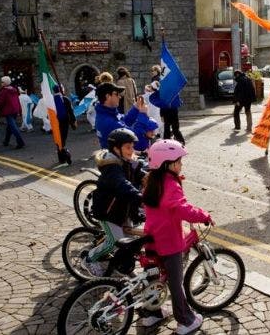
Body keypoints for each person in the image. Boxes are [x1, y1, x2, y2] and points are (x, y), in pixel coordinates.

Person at [142, 139, 211, 334]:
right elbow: (183, 209)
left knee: (154, 276)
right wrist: (203, 215)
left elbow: (164, 205)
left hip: (152, 237)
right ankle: (185, 321)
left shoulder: (152, 180)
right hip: (169, 242)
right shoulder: (170, 184)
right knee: (175, 282)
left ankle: (151, 313)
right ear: (169, 164)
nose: (181, 164)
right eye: (179, 161)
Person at [82, 128, 146, 277]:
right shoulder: (111, 167)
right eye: (128, 148)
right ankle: (89, 259)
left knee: (129, 241)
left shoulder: (129, 161)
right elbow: (122, 184)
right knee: (114, 242)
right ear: (116, 149)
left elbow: (141, 174)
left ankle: (124, 267)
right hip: (108, 212)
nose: (132, 151)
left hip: (124, 209)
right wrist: (140, 199)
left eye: (132, 147)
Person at [94, 82, 144, 149]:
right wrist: (143, 114)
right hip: (117, 158)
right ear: (108, 96)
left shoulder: (108, 113)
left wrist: (136, 108)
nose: (119, 97)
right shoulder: (108, 122)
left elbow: (124, 121)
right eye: (116, 94)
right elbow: (135, 136)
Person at [0, 76, 25, 149]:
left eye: (2, 82)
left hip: (8, 111)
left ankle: (20, 142)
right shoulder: (14, 90)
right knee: (9, 126)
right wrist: (19, 110)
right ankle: (6, 141)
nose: (1, 83)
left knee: (13, 127)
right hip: (15, 109)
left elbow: (0, 101)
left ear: (5, 83)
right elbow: (17, 100)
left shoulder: (4, 91)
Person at [52, 85, 77, 164]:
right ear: (61, 89)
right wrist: (73, 121)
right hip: (64, 121)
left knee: (58, 139)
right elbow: (71, 111)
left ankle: (61, 158)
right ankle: (66, 154)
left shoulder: (51, 100)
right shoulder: (65, 99)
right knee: (62, 139)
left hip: (55, 122)